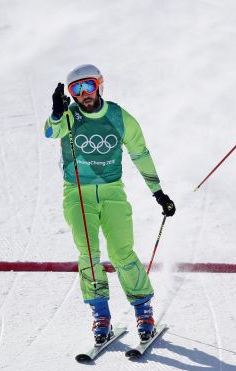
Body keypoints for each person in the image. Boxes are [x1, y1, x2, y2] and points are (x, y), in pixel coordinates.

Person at [43, 64, 176, 344]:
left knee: (121, 253)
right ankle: (101, 315)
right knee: (88, 255)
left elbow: (140, 153)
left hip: (112, 193)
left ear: (99, 85)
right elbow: (50, 132)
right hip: (77, 195)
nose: (83, 94)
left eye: (88, 86)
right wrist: (56, 113)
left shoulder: (119, 117)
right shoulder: (69, 116)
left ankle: (143, 311)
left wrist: (158, 192)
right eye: (75, 90)